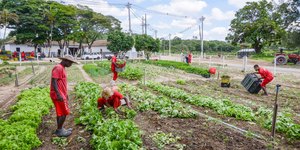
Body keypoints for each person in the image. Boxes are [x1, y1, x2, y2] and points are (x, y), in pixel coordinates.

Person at [50, 55, 78, 137]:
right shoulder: (58, 67)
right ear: (66, 61)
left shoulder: (62, 68)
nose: (71, 65)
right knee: (64, 113)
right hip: (58, 94)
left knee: (61, 112)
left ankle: (60, 128)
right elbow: (54, 81)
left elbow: (61, 83)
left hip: (61, 93)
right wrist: (58, 94)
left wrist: (65, 94)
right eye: (71, 63)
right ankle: (59, 131)